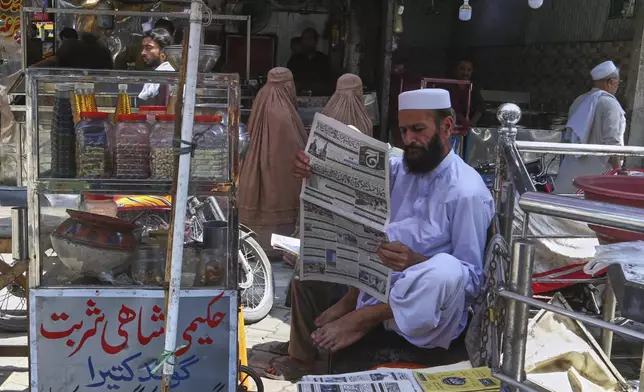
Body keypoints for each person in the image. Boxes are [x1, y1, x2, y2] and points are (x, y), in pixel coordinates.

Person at [265, 88, 494, 380]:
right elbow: (346, 173)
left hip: (427, 305)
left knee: (446, 271)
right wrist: (311, 167)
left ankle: (365, 319)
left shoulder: (467, 192)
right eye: (404, 130)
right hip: (373, 281)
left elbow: (471, 280)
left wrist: (414, 260)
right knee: (306, 273)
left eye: (418, 130)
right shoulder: (401, 168)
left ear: (447, 127)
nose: (409, 139)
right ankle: (302, 356)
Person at [238, 67, 308, 256]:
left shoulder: (263, 96)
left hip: (254, 171)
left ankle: (256, 246)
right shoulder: (283, 111)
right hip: (280, 177)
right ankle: (279, 247)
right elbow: (290, 148)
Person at [554, 61, 625, 194]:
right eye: (618, 83)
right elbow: (613, 143)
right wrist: (619, 173)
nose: (617, 87)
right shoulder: (610, 104)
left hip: (570, 174)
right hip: (595, 177)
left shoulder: (579, 101)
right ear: (610, 82)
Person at [286, 28, 332, 95]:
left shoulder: (324, 59)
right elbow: (288, 81)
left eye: (309, 38)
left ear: (315, 41)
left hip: (318, 98)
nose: (307, 42)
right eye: (304, 39)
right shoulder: (294, 59)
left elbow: (328, 83)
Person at [138, 28, 174, 104]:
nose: (143, 53)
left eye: (148, 48)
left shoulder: (169, 76)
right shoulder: (152, 75)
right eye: (143, 48)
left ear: (164, 51)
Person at [450, 58, 485, 128]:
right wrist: (465, 122)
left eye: (469, 70)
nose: (465, 73)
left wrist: (473, 122)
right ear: (456, 70)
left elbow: (480, 107)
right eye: (462, 69)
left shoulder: (473, 87)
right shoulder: (450, 86)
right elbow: (453, 108)